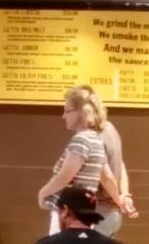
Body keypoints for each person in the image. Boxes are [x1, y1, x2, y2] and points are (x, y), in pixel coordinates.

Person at [37, 85, 124, 233]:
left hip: (68, 214)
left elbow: (64, 177)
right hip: (84, 214)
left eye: (67, 111)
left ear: (79, 112)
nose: (63, 116)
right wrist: (119, 201)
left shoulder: (80, 141)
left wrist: (42, 194)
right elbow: (107, 177)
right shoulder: (95, 139)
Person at [75, 85, 139, 236]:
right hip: (112, 215)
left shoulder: (93, 136)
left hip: (100, 212)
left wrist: (118, 201)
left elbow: (107, 176)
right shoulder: (110, 128)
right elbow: (120, 164)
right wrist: (124, 195)